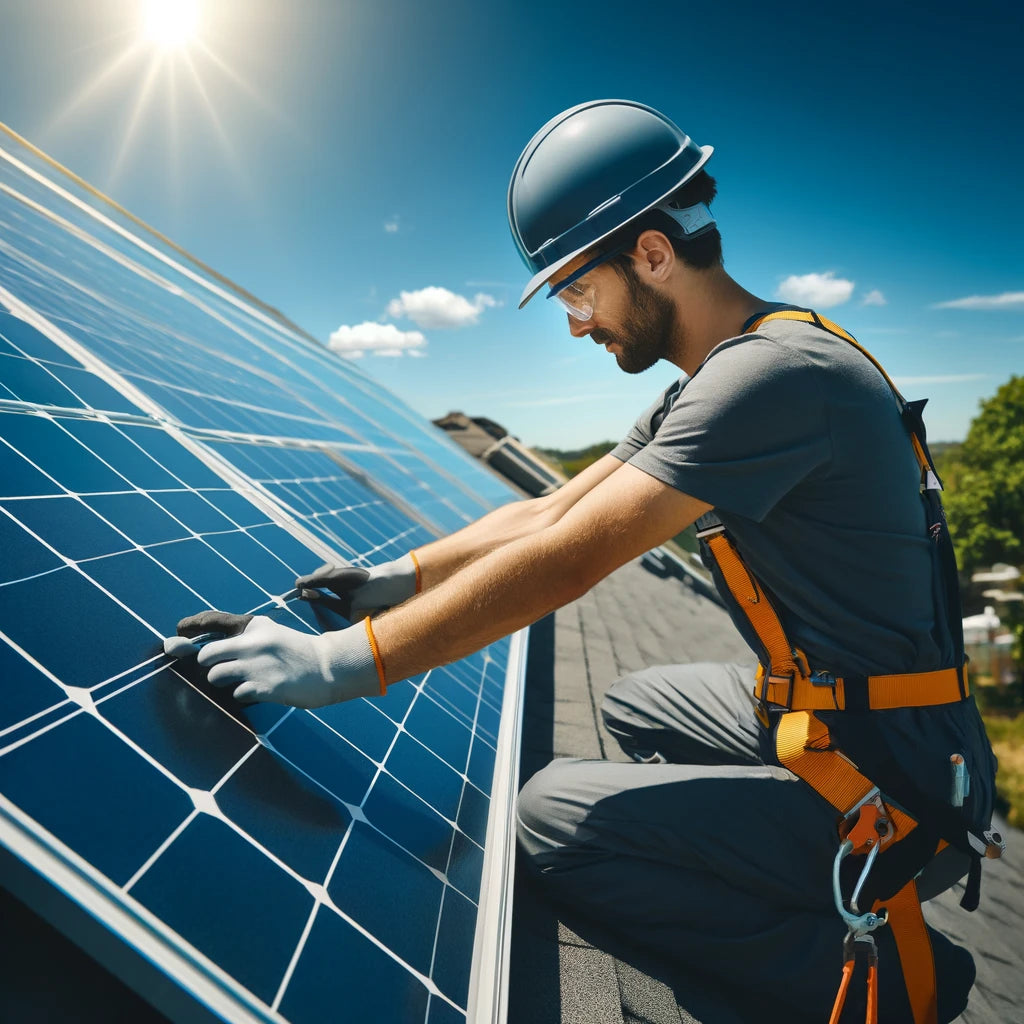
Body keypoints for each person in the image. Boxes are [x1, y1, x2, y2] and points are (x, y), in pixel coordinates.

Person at [167, 100, 1000, 1023]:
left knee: (552, 818)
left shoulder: (770, 379)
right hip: (853, 708)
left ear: (650, 253)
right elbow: (555, 507)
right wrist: (397, 578)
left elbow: (572, 560)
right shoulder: (722, 369)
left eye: (576, 290)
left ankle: (902, 981)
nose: (574, 323)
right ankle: (765, 852)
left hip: (902, 769)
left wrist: (339, 663)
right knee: (634, 701)